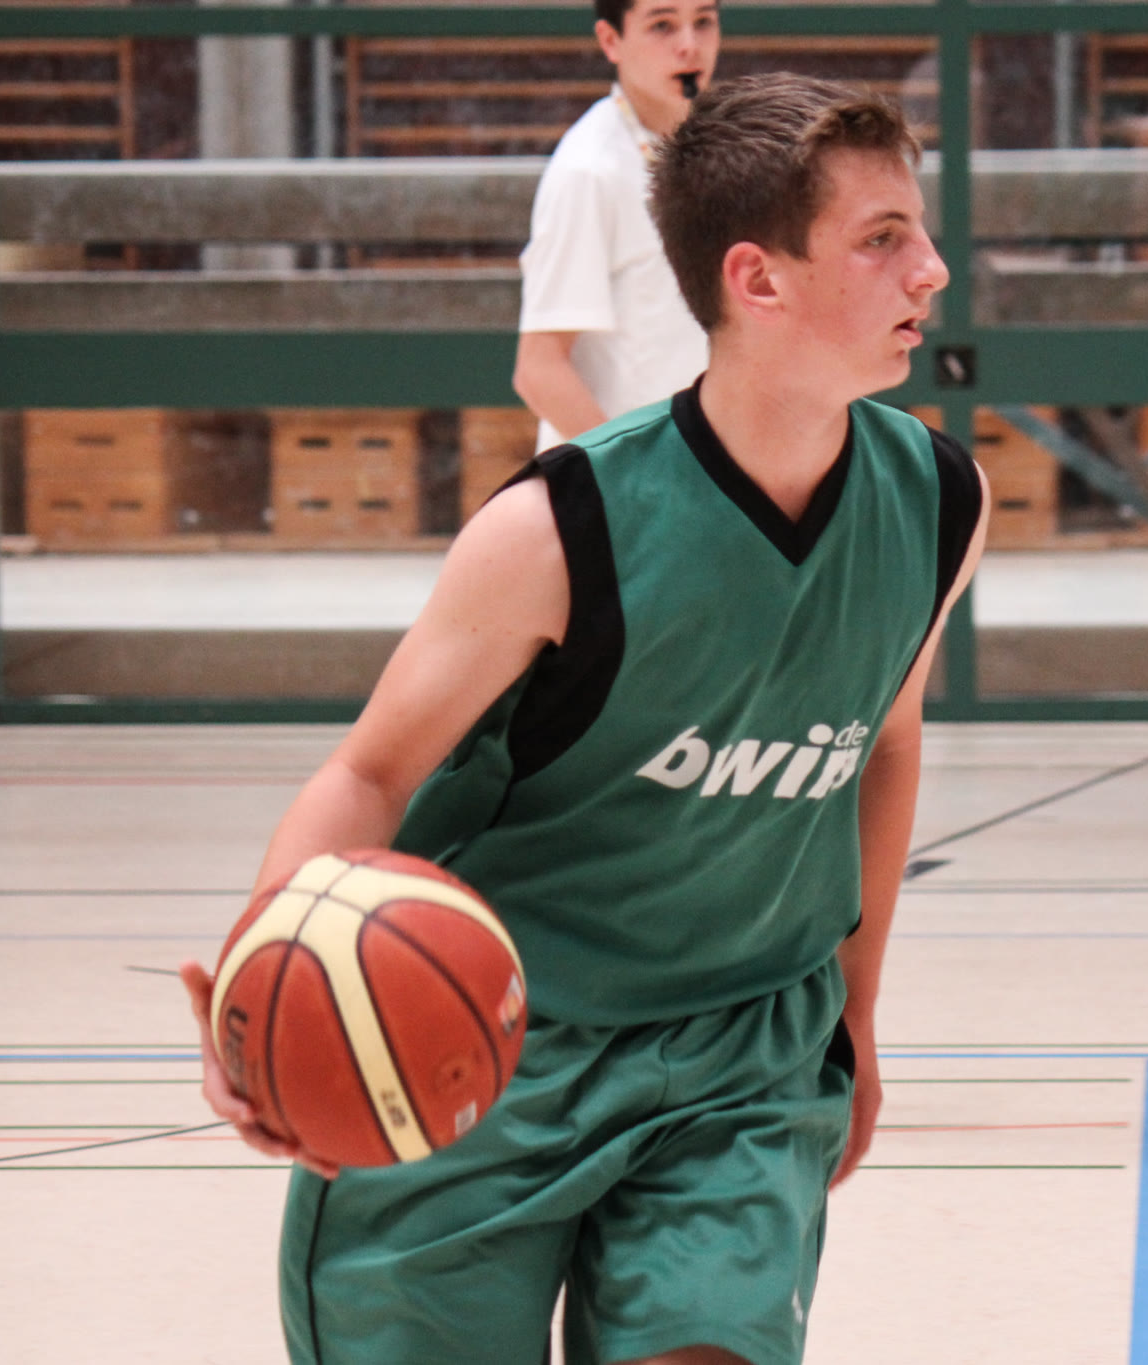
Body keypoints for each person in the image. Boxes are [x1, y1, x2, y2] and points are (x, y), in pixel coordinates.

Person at [180, 72, 984, 1365]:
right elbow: (371, 773)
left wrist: (856, 1011)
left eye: (919, 230)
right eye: (882, 239)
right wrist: (261, 979)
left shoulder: (940, 501)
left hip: (742, 1048)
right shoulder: (555, 529)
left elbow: (881, 745)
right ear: (756, 279)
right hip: (484, 1034)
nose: (930, 269)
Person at [512, 0, 721, 449]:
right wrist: (636, 473)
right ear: (611, 41)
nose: (690, 45)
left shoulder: (721, 149)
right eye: (662, 25)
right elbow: (540, 371)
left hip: (698, 465)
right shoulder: (588, 170)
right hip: (622, 480)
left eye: (703, 21)